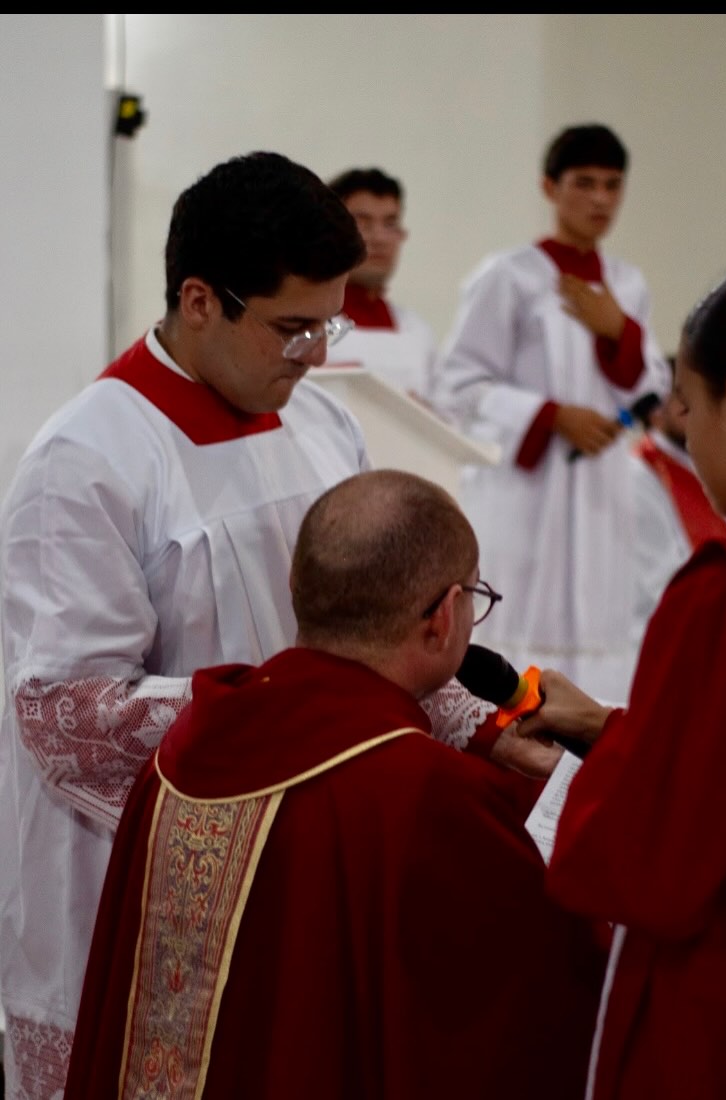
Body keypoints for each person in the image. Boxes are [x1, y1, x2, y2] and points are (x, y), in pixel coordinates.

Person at [0, 151, 559, 1099]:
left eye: (327, 325)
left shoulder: (322, 427)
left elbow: (365, 634)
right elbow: (69, 717)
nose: (315, 355)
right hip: (128, 879)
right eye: (292, 329)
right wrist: (305, 722)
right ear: (199, 300)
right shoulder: (87, 459)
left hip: (296, 860)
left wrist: (478, 726)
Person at [62, 468, 608, 1100]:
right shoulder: (426, 795)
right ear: (442, 618)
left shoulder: (181, 754)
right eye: (474, 598)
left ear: (297, 588)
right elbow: (544, 1001)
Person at [532, 253, 726, 1100]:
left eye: (686, 407)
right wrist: (616, 731)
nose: (684, 435)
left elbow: (642, 865)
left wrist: (592, 776)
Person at [433, 123, 671, 703]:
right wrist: (550, 415)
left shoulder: (627, 284)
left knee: (602, 625)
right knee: (521, 623)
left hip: (601, 488)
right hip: (528, 490)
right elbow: (457, 384)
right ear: (549, 187)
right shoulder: (509, 275)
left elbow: (655, 386)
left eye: (612, 185)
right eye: (584, 183)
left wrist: (619, 332)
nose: (600, 199)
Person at [629, 355, 726, 647]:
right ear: (655, 411)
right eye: (679, 396)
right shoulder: (638, 474)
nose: (691, 407)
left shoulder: (709, 464)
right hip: (674, 635)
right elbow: (661, 582)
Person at [324, 166, 439, 404]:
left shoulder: (417, 332)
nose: (379, 238)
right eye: (362, 223)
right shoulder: (304, 326)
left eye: (390, 224)